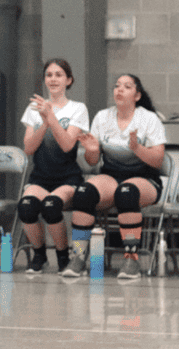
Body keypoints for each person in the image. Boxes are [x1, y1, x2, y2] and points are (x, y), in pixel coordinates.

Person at [60, 74, 167, 282]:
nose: (119, 90)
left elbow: (157, 160)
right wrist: (91, 150)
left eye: (126, 87)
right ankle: (79, 255)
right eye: (117, 86)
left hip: (145, 178)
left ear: (136, 95)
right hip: (111, 175)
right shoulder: (102, 117)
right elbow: (92, 162)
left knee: (126, 193)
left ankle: (131, 258)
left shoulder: (149, 119)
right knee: (84, 193)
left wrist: (137, 148)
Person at [17, 59, 89, 274]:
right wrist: (44, 122)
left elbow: (68, 145)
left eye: (59, 74)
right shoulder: (34, 108)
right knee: (26, 206)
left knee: (51, 206)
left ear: (69, 80)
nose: (53, 79)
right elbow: (29, 148)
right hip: (40, 177)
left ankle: (63, 255)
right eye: (49, 75)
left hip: (67, 177)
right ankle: (40, 255)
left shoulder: (78, 109)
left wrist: (50, 117)